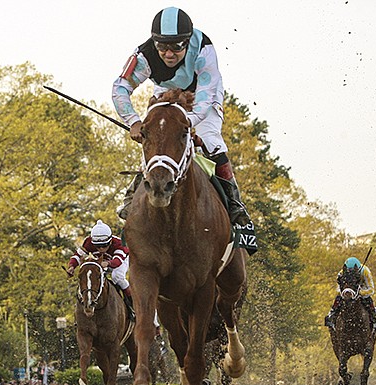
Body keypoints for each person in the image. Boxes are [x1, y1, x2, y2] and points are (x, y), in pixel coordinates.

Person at [112, 6, 250, 226]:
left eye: (176, 47)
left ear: (186, 42)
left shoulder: (204, 50)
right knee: (158, 137)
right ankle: (133, 193)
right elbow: (120, 88)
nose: (168, 54)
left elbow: (203, 103)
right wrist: (134, 122)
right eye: (162, 46)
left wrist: (188, 126)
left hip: (202, 94)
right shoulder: (143, 56)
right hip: (165, 92)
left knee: (211, 140)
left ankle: (234, 202)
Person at [67, 220, 134, 319]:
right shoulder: (88, 242)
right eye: (98, 246)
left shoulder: (118, 244)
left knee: (117, 276)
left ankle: (132, 302)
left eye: (104, 245)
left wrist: (108, 263)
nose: (101, 249)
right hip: (102, 262)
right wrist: (72, 266)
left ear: (110, 241)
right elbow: (77, 255)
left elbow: (117, 261)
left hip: (121, 261)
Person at [324, 257, 376, 330]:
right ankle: (331, 314)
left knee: (368, 300)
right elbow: (337, 290)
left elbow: (371, 289)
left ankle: (373, 316)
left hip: (361, 288)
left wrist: (359, 293)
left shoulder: (365, 271)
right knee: (338, 299)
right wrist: (345, 293)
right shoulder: (341, 273)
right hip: (346, 290)